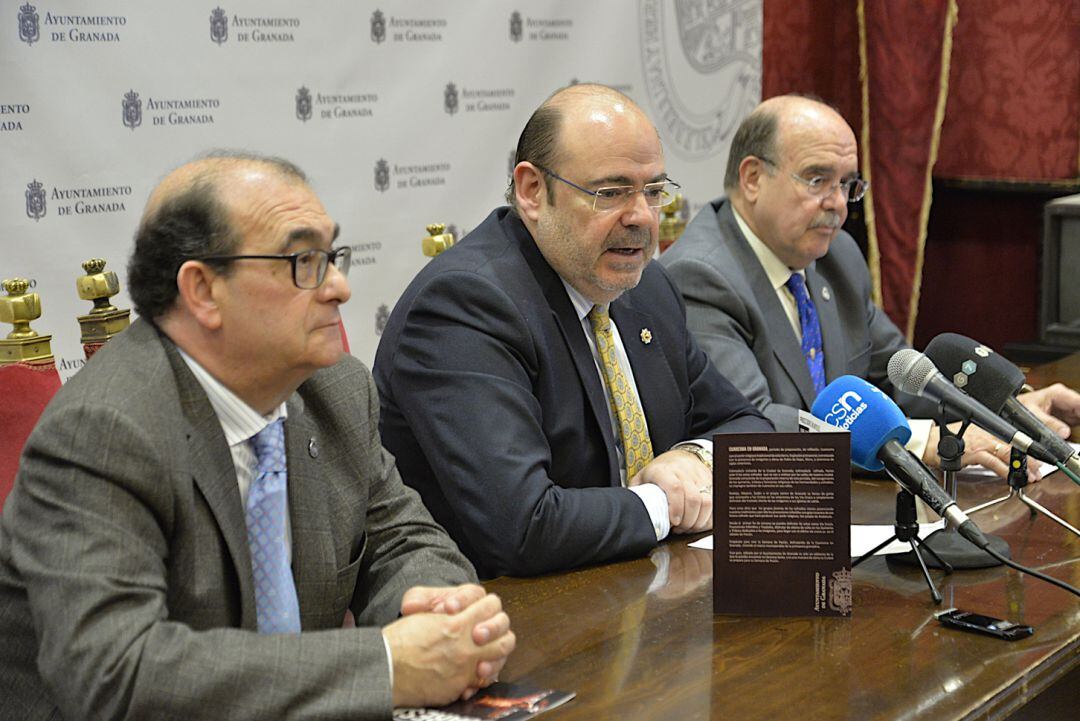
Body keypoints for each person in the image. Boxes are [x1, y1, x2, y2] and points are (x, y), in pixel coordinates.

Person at [0, 152, 515, 720]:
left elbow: (402, 541)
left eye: (332, 256)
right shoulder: (103, 430)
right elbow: (115, 673)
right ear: (202, 290)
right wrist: (388, 665)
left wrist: (437, 611)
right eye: (304, 261)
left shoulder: (335, 390)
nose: (340, 287)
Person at [374, 85, 773, 580]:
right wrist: (664, 502)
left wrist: (693, 459)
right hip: (506, 621)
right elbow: (523, 527)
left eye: (652, 191)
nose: (642, 218)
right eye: (611, 193)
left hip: (637, 595)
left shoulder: (645, 290)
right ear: (532, 191)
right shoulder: (466, 305)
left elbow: (750, 428)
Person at [660, 94, 1080, 478]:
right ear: (752, 177)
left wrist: (1003, 412)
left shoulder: (835, 256)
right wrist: (919, 443)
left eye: (846, 184)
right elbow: (755, 423)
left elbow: (903, 376)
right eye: (817, 179)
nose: (839, 204)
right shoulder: (702, 276)